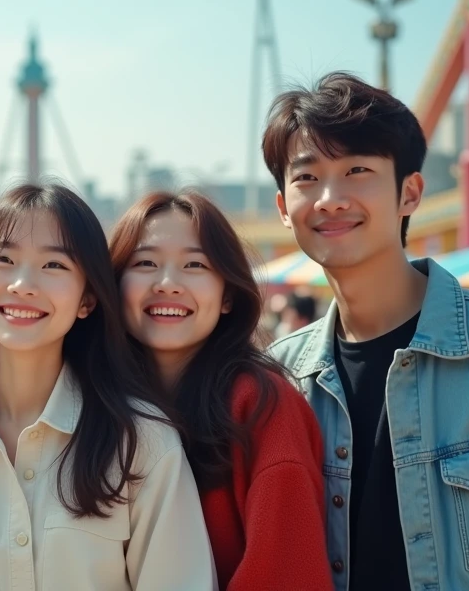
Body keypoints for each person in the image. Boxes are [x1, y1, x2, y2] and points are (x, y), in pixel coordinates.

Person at [264, 72, 469, 590]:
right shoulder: (280, 379)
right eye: (306, 177)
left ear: (410, 192)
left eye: (357, 170)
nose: (330, 198)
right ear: (282, 208)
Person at [0, 184, 217, 590]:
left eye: (54, 265)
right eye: (3, 259)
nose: (22, 284)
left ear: (87, 299)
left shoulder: (144, 446)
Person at [109, 190, 330, 590]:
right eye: (145, 263)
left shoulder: (263, 408)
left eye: (195, 264)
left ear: (227, 294)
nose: (168, 283)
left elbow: (285, 574)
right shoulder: (89, 404)